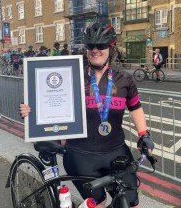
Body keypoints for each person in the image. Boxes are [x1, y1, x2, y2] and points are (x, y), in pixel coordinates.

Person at [19, 22, 155, 208]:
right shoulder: (72, 74)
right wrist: (30, 110)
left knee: (131, 204)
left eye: (101, 46)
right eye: (91, 46)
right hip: (80, 155)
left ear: (110, 48)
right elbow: (46, 97)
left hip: (116, 152)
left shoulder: (124, 79)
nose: (95, 50)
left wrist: (143, 135)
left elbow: (135, 107)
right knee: (97, 204)